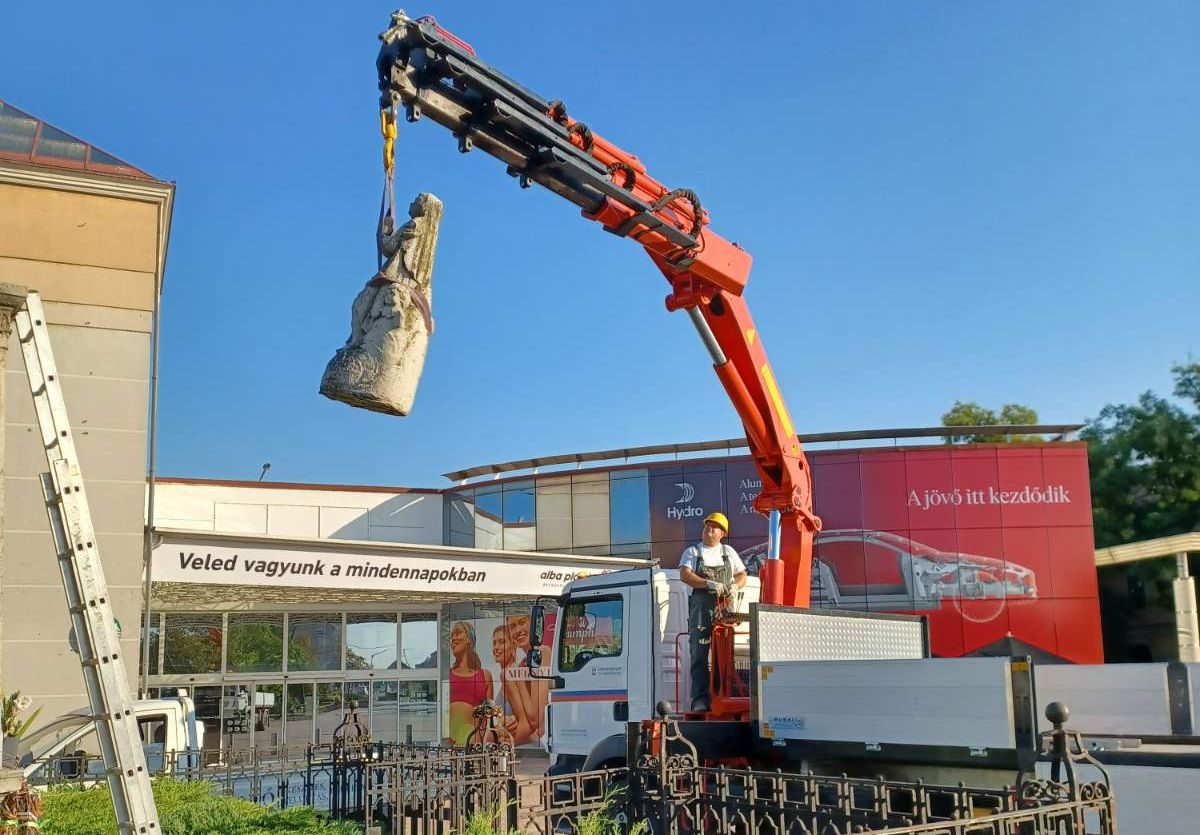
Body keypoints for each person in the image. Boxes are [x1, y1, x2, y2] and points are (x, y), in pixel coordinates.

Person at [678, 512, 747, 712]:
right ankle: (700, 699)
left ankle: (724, 695)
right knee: (699, 653)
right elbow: (685, 575)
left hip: (724, 609)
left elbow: (741, 574)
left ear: (722, 533)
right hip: (701, 610)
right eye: (707, 526)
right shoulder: (693, 552)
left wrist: (736, 586)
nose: (709, 529)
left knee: (724, 655)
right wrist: (707, 583)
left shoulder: (728, 552)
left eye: (714, 527)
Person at [448, 621, 493, 745]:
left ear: (469, 638)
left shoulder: (485, 676)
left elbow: (489, 716)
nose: (453, 639)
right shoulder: (446, 676)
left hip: (475, 742)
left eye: (457, 633)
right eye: (451, 636)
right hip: (449, 745)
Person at [491, 625, 536, 745]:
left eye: (502, 642)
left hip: (523, 748)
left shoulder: (508, 674)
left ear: (513, 646)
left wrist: (503, 744)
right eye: (494, 643)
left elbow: (527, 725)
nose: (496, 647)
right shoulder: (511, 673)